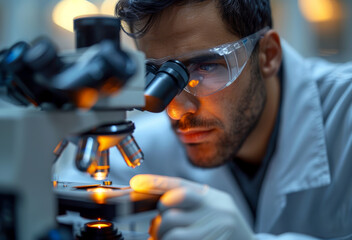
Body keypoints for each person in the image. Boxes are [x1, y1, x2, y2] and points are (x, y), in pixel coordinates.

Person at [110, 0, 352, 239]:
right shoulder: (151, 142)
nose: (175, 111)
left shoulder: (345, 112)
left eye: (205, 67)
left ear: (268, 55)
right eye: (157, 76)